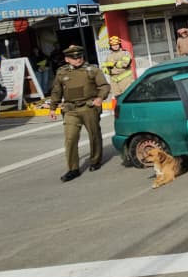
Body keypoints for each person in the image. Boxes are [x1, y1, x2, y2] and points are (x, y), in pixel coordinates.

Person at [44, 44, 110, 182]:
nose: (78, 59)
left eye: (79, 56)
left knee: (94, 135)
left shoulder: (92, 70)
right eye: (74, 58)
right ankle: (73, 169)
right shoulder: (62, 72)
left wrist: (100, 98)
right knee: (70, 138)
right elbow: (56, 91)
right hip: (70, 109)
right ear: (67, 59)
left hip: (89, 106)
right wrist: (52, 107)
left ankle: (95, 160)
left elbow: (104, 86)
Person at [101, 35, 135, 100]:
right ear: (110, 46)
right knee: (118, 99)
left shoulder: (125, 53)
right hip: (114, 83)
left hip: (126, 81)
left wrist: (113, 64)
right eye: (113, 45)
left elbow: (125, 64)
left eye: (117, 44)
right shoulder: (109, 56)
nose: (115, 46)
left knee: (128, 98)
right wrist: (110, 71)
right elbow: (104, 67)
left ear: (119, 44)